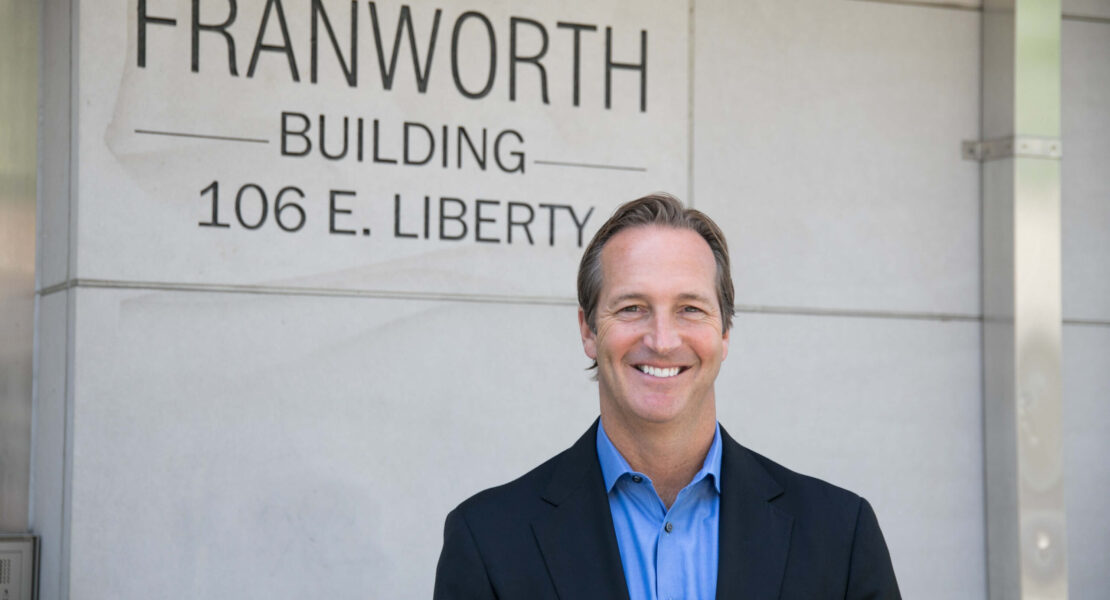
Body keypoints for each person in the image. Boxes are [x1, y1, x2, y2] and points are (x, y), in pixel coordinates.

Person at [433, 193, 901, 599]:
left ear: (724, 333)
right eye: (632, 307)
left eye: (690, 309)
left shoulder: (840, 535)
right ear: (589, 331)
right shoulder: (488, 541)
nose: (661, 339)